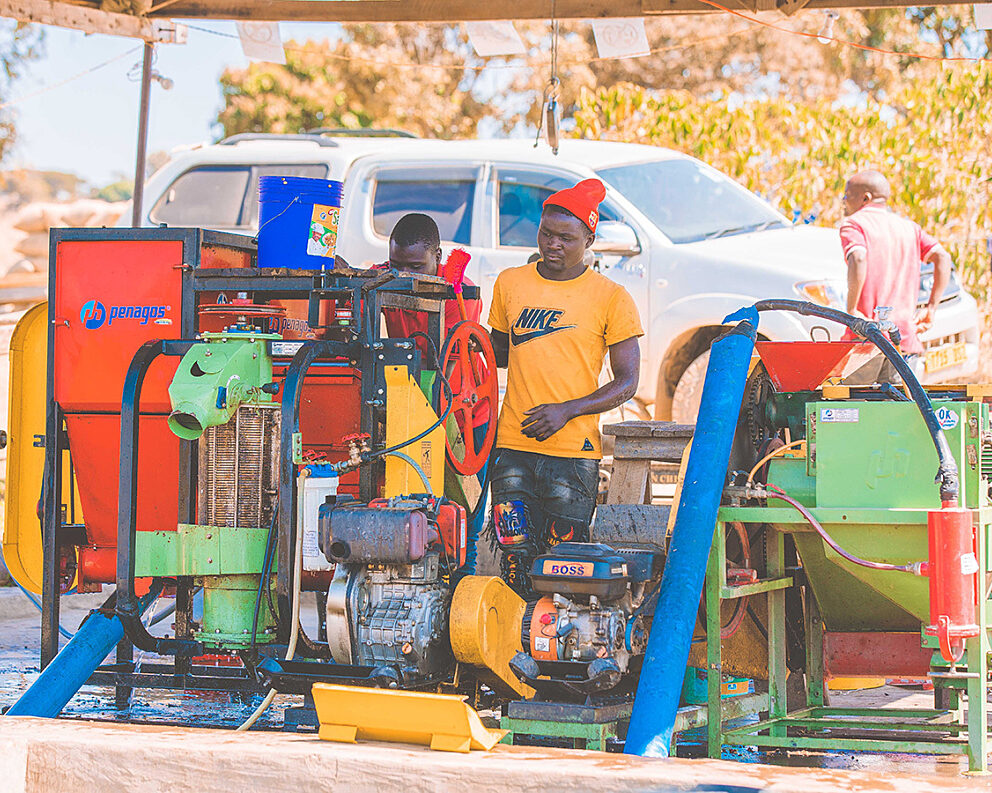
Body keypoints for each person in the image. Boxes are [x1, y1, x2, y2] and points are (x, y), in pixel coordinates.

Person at [487, 179, 643, 596]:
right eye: (546, 234)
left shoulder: (611, 297)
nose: (553, 244)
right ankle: (513, 647)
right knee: (516, 563)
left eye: (566, 238)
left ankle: (556, 652)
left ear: (589, 239)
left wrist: (566, 410)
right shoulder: (510, 283)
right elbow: (495, 354)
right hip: (512, 449)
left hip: (573, 457)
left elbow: (627, 382)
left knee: (564, 567)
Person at [377, 213, 491, 573]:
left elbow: (449, 358)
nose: (405, 275)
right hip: (412, 413)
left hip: (466, 420)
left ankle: (460, 613)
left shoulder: (460, 292)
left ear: (437, 257)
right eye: (397, 265)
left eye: (415, 266)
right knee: (411, 521)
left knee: (462, 527)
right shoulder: (385, 278)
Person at [840, 170, 952, 383]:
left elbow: (859, 258)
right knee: (897, 411)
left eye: (847, 195)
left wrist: (852, 309)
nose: (844, 202)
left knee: (851, 409)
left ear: (866, 198)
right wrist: (931, 307)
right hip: (904, 341)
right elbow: (943, 257)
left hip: (866, 340)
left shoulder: (854, 224)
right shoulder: (909, 228)